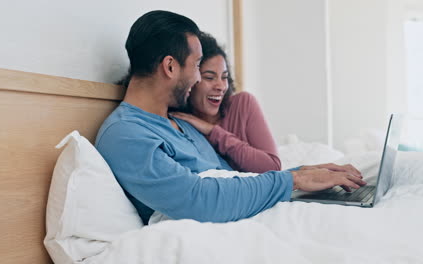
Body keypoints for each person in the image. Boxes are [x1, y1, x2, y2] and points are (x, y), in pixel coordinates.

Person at [95, 10, 366, 225]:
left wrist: (303, 174)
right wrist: (293, 180)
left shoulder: (180, 123)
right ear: (170, 66)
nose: (199, 77)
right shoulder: (126, 135)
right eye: (198, 66)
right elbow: (199, 200)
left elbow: (232, 179)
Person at [170, 32, 280, 173]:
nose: (221, 86)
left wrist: (213, 132)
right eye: (209, 78)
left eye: (225, 77)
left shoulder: (243, 104)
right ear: (190, 81)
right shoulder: (179, 121)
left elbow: (272, 167)